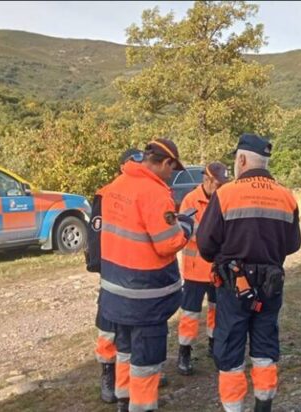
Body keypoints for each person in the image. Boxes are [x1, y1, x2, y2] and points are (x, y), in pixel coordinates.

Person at [197, 133, 301, 412]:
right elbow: (293, 244)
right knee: (265, 347)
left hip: (233, 286)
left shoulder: (225, 194)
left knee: (230, 349)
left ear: (241, 159)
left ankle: (233, 408)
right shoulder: (286, 196)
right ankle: (263, 405)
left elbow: (205, 245)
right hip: (271, 285)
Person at [97, 138, 194, 412]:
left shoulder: (116, 186)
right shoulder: (154, 193)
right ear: (165, 163)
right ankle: (143, 406)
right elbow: (167, 244)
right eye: (172, 170)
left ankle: (124, 400)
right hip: (146, 296)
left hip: (115, 290)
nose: (172, 176)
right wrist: (185, 226)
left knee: (125, 349)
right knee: (147, 360)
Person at [86, 147, 144, 404]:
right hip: (113, 269)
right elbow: (96, 233)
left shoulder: (147, 192)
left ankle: (135, 373)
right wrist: (100, 266)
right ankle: (107, 373)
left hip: (138, 271)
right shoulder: (107, 193)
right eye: (134, 162)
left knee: (138, 325)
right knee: (109, 325)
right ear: (123, 166)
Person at [176, 162, 230, 375]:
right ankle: (184, 351)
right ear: (206, 180)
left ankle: (214, 345)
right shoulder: (191, 200)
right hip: (195, 270)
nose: (220, 188)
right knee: (190, 313)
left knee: (217, 310)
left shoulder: (224, 198)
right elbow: (188, 231)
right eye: (217, 184)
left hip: (216, 269)